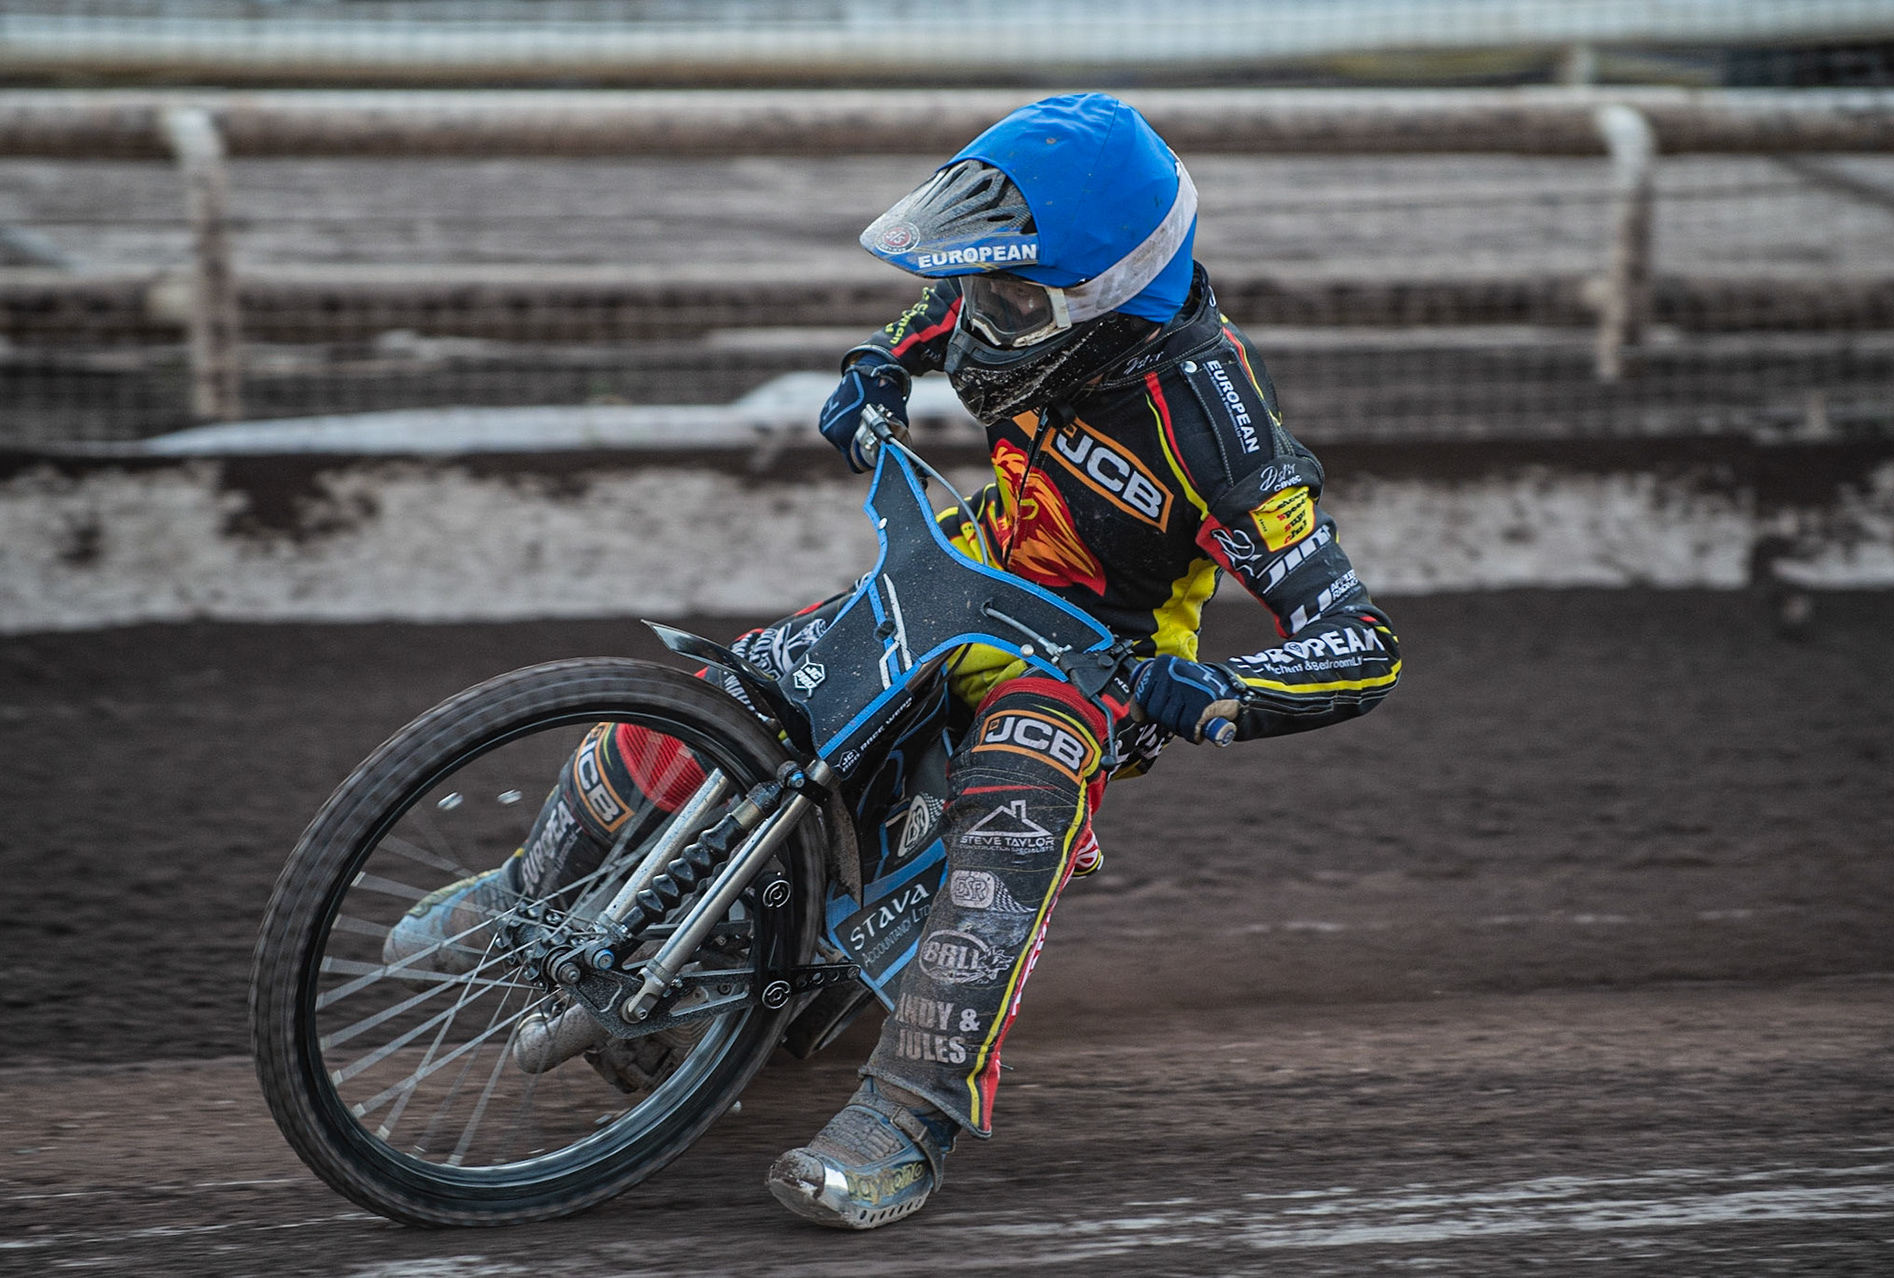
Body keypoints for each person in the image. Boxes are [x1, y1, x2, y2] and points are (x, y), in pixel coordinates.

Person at [388, 92, 1401, 1232]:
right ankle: (529, 892)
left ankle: (909, 1118)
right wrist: (873, 365)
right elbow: (937, 305)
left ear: (1103, 298)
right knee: (736, 690)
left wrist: (1216, 692)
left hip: (1093, 661)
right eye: (985, 290)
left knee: (1017, 793)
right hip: (962, 574)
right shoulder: (1020, 302)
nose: (981, 320)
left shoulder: (1221, 430)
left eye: (1012, 299)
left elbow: (1359, 643)